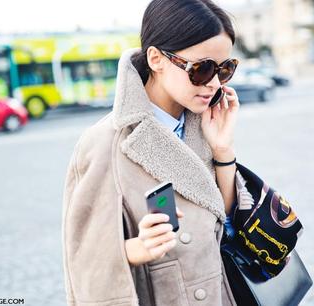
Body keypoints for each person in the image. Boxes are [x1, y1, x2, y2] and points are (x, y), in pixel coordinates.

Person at [62, 0, 248, 304]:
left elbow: (228, 224)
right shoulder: (104, 143)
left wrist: (223, 149)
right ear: (157, 59)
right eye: (202, 70)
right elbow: (83, 260)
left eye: (224, 70)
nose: (214, 84)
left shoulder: (204, 123)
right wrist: (136, 250)